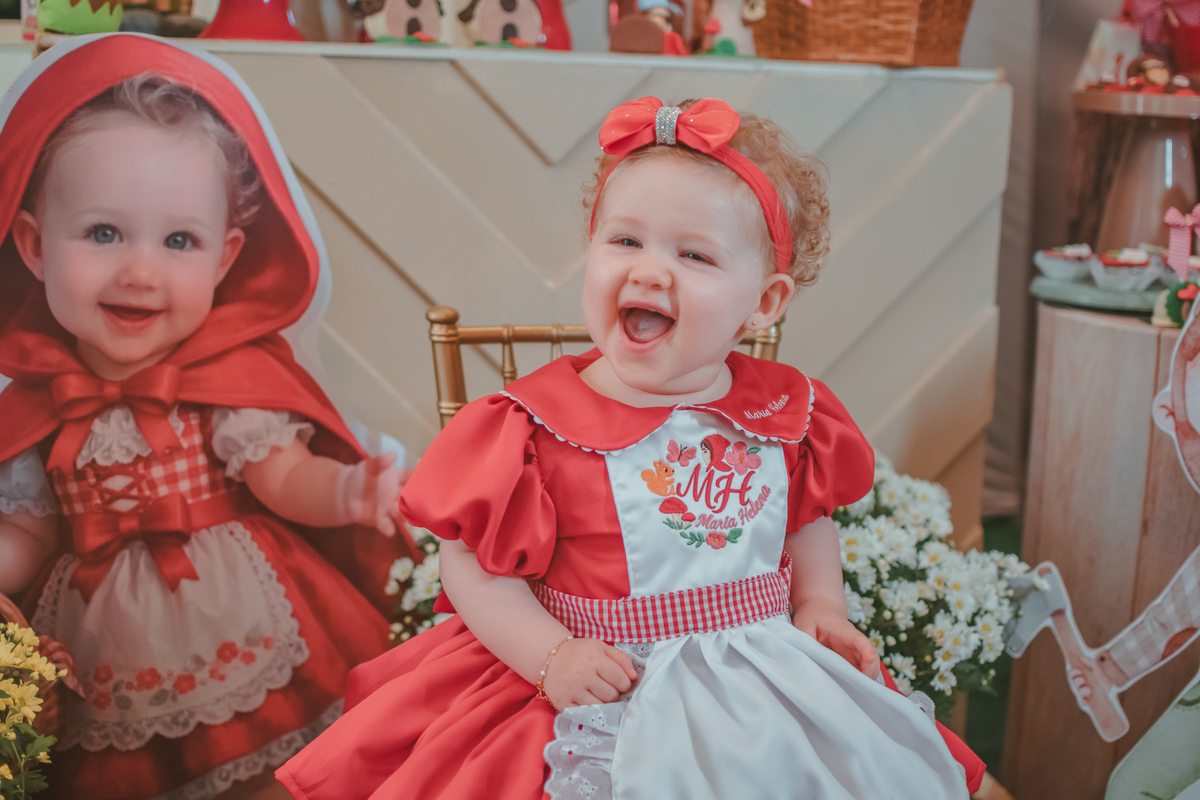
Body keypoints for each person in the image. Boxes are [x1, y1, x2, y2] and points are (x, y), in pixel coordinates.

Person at [278, 96, 984, 799]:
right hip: (598, 671)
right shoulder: (533, 427)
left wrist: (822, 602)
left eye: (695, 254)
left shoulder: (784, 409)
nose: (649, 271)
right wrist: (548, 655)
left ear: (764, 303)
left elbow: (804, 520)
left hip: (759, 674)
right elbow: (469, 566)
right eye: (624, 241)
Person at [0, 34, 411, 800]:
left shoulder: (226, 384)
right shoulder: (34, 409)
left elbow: (282, 475)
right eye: (102, 233)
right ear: (33, 246)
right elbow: (30, 530)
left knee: (279, 775)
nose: (140, 270)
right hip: (101, 648)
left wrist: (346, 493)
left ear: (224, 260)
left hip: (240, 611)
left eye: (178, 240)